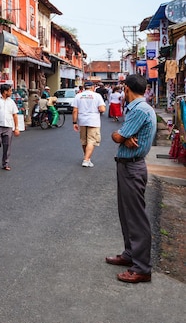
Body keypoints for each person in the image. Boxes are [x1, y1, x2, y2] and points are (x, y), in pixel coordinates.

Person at [107, 74, 157, 283]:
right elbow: (121, 137)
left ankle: (142, 268)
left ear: (126, 88)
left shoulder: (139, 110)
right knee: (127, 214)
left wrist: (121, 136)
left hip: (132, 167)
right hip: (129, 166)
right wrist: (122, 136)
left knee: (135, 218)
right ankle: (130, 255)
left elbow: (118, 136)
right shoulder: (141, 108)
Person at [71, 81, 106, 167]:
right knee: (91, 140)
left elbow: (75, 110)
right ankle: (86, 160)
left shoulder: (78, 96)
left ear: (84, 87)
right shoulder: (97, 96)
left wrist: (74, 122)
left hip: (82, 120)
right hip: (93, 121)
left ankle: (87, 158)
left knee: (84, 140)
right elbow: (102, 109)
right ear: (93, 87)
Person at [0, 83, 20, 171]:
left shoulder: (11, 102)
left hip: (8, 126)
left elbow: (15, 115)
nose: (11, 92)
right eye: (10, 91)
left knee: (7, 146)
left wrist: (16, 128)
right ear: (5, 92)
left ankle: (5, 163)